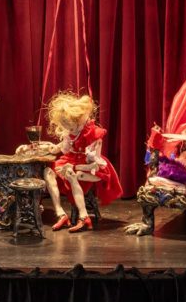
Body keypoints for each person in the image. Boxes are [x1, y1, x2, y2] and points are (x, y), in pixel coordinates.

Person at [24, 92, 123, 232]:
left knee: (71, 174)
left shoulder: (93, 134)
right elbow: (61, 148)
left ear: (79, 120)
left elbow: (95, 165)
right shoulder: (69, 133)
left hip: (90, 167)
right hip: (69, 160)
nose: (70, 130)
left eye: (72, 126)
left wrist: (75, 166)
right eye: (67, 127)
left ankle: (84, 217)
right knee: (48, 172)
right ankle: (61, 214)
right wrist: (45, 147)